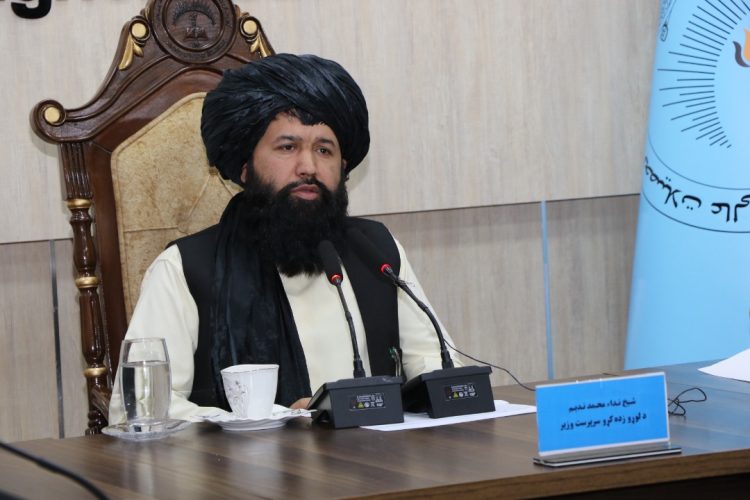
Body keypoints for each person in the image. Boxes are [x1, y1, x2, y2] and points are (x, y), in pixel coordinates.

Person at [109, 53, 460, 424]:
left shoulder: (376, 251)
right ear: (246, 166)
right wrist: (276, 420)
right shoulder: (185, 268)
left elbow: (437, 365)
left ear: (342, 167)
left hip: (381, 457)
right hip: (246, 463)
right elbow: (140, 410)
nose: (308, 167)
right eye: (287, 147)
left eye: (324, 150)